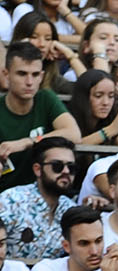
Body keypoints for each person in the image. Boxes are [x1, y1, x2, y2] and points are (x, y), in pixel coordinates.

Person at [0, 43, 81, 193]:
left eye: (35, 74)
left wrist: (28, 142)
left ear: (42, 76)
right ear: (6, 74)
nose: (30, 82)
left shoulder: (45, 98)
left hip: (44, 195)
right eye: (22, 74)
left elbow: (74, 134)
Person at [0, 138, 80, 265]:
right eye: (57, 166)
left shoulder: (70, 209)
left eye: (71, 167)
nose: (66, 171)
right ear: (37, 169)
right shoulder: (12, 200)